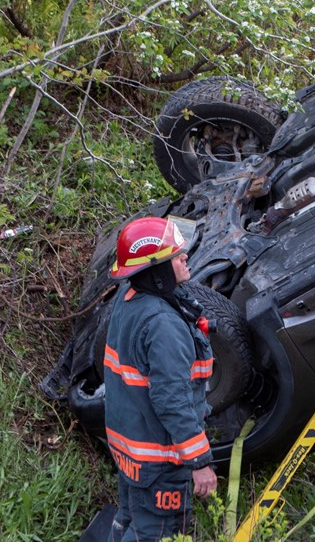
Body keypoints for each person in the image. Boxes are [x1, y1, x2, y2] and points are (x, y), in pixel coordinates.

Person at [104, 217, 218, 541]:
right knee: (157, 533)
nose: (184, 256)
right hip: (160, 462)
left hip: (132, 453)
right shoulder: (163, 325)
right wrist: (199, 461)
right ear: (156, 270)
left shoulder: (128, 300)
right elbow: (172, 400)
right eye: (174, 254)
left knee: (129, 525)